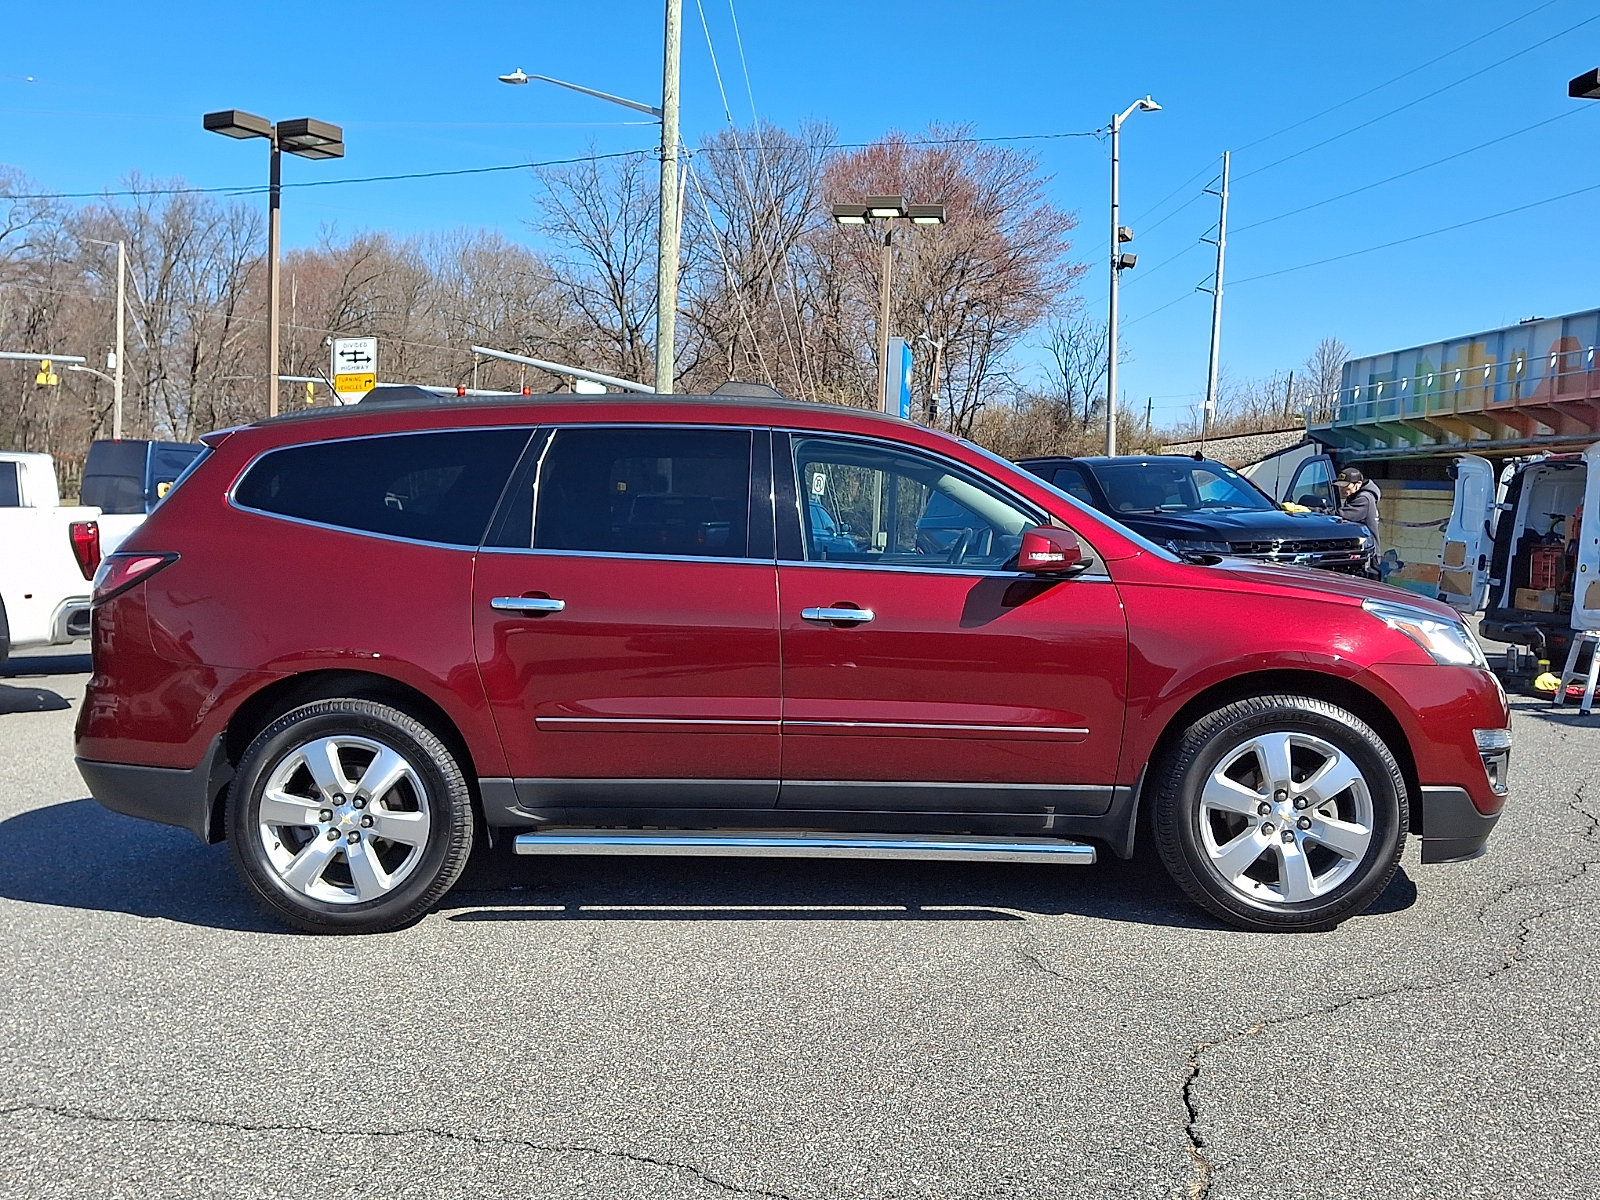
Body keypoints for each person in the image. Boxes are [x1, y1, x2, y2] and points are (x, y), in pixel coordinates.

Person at [1335, 467, 1382, 553]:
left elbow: (1340, 514)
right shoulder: (1353, 496)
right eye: (1340, 485)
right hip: (1358, 551)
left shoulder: (1364, 499)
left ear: (1358, 484)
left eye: (1345, 485)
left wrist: (1314, 510)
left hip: (1367, 554)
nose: (1342, 489)